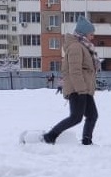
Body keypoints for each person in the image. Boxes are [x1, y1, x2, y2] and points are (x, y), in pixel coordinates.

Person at [42, 16, 99, 145]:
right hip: (78, 89)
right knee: (75, 117)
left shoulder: (84, 47)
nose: (93, 37)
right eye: (91, 34)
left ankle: (87, 141)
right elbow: (75, 71)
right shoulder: (75, 47)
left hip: (84, 89)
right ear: (84, 33)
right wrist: (81, 90)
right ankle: (50, 136)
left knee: (92, 116)